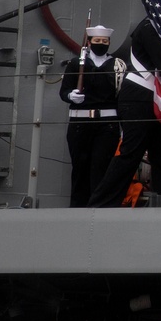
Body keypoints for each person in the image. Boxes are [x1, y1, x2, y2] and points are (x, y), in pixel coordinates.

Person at [88, 0, 161, 207]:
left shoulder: (159, 30)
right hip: (139, 95)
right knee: (131, 153)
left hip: (151, 97)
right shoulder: (150, 28)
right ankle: (101, 203)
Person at [59, 24, 122, 208]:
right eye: (97, 41)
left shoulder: (118, 65)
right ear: (89, 42)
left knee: (101, 169)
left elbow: (121, 96)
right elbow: (64, 91)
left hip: (107, 124)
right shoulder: (75, 63)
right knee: (80, 168)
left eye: (105, 41)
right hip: (80, 122)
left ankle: (97, 207)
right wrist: (71, 96)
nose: (101, 44)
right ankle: (78, 207)